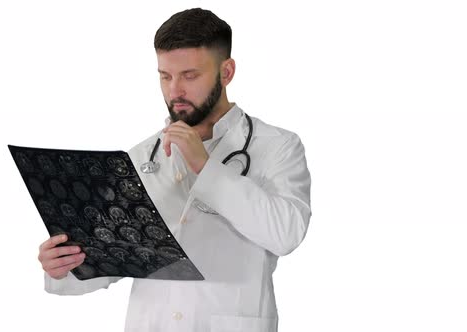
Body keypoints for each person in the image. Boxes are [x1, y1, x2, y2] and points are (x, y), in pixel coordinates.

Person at [37, 8, 311, 332]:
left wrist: (205, 167)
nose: (174, 91)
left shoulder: (277, 145)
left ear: (227, 72)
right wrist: (65, 267)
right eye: (165, 76)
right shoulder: (141, 157)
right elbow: (113, 256)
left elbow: (286, 234)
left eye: (190, 75)